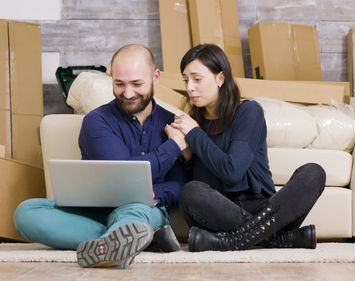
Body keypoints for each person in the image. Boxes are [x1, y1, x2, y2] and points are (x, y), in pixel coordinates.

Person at [14, 44, 187, 267]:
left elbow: (182, 183)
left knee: (135, 210)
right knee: (27, 212)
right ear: (110, 77)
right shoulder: (97, 121)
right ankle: (132, 240)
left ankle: (119, 242)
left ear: (155, 77)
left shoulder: (173, 123)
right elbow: (123, 173)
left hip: (143, 209)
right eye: (119, 84)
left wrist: (153, 193)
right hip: (94, 210)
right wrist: (173, 146)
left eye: (137, 84)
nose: (128, 93)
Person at [166, 43, 326, 252]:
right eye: (186, 80)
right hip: (221, 212)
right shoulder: (193, 122)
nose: (189, 88)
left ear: (220, 78)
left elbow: (232, 171)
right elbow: (200, 183)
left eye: (197, 79)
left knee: (314, 172)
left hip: (265, 209)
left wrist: (195, 134)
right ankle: (278, 239)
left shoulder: (248, 111)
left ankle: (230, 242)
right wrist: (187, 154)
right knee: (190, 192)